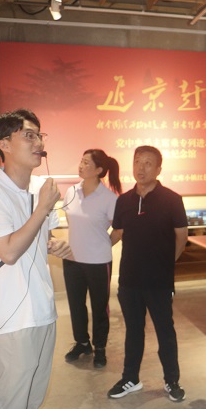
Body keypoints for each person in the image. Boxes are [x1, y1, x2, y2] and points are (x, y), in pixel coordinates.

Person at [0, 109, 72, 409]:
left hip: (43, 312)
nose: (38, 142)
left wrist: (52, 245)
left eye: (40, 136)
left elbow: (35, 241)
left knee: (32, 402)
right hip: (13, 318)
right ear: (4, 144)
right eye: (29, 135)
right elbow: (9, 252)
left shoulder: (38, 189)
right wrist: (42, 208)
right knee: (9, 405)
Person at [107, 146, 188, 403]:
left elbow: (181, 236)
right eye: (137, 162)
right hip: (129, 280)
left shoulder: (172, 199)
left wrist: (166, 264)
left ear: (159, 169)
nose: (141, 168)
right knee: (133, 331)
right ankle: (130, 378)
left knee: (165, 332)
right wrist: (90, 251)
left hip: (159, 281)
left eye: (148, 163)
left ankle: (172, 380)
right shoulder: (124, 201)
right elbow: (117, 234)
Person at [62, 149, 122, 368]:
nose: (81, 165)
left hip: (98, 261)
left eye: (87, 163)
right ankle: (82, 343)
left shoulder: (109, 198)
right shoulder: (71, 192)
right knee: (76, 305)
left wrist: (103, 245)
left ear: (99, 170)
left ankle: (100, 347)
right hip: (72, 259)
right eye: (81, 160)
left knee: (99, 307)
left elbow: (119, 230)